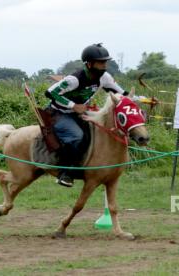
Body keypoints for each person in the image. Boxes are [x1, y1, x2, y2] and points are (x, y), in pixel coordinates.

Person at [45, 43, 129, 187]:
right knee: (76, 136)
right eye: (101, 62)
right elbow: (50, 92)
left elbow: (122, 94)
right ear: (89, 64)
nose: (104, 66)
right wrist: (73, 106)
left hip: (79, 113)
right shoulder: (74, 79)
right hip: (58, 113)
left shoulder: (105, 77)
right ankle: (65, 173)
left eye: (105, 62)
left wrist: (143, 99)